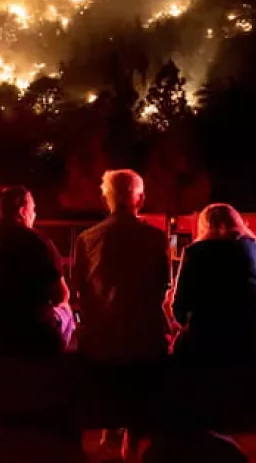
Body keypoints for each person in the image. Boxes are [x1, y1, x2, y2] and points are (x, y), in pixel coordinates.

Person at [170, 203, 256, 445]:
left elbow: (180, 309)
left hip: (214, 339)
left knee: (181, 355)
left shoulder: (195, 253)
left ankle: (193, 423)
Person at [71, 170, 171, 460]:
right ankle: (134, 435)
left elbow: (79, 293)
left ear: (106, 199)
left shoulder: (86, 239)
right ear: (139, 198)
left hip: (100, 347)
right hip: (144, 348)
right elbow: (162, 291)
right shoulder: (154, 238)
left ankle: (111, 427)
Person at [0, 185, 73, 356]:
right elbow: (61, 296)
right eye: (33, 209)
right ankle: (53, 362)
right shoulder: (41, 243)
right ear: (23, 211)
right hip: (35, 339)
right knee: (66, 312)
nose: (35, 214)